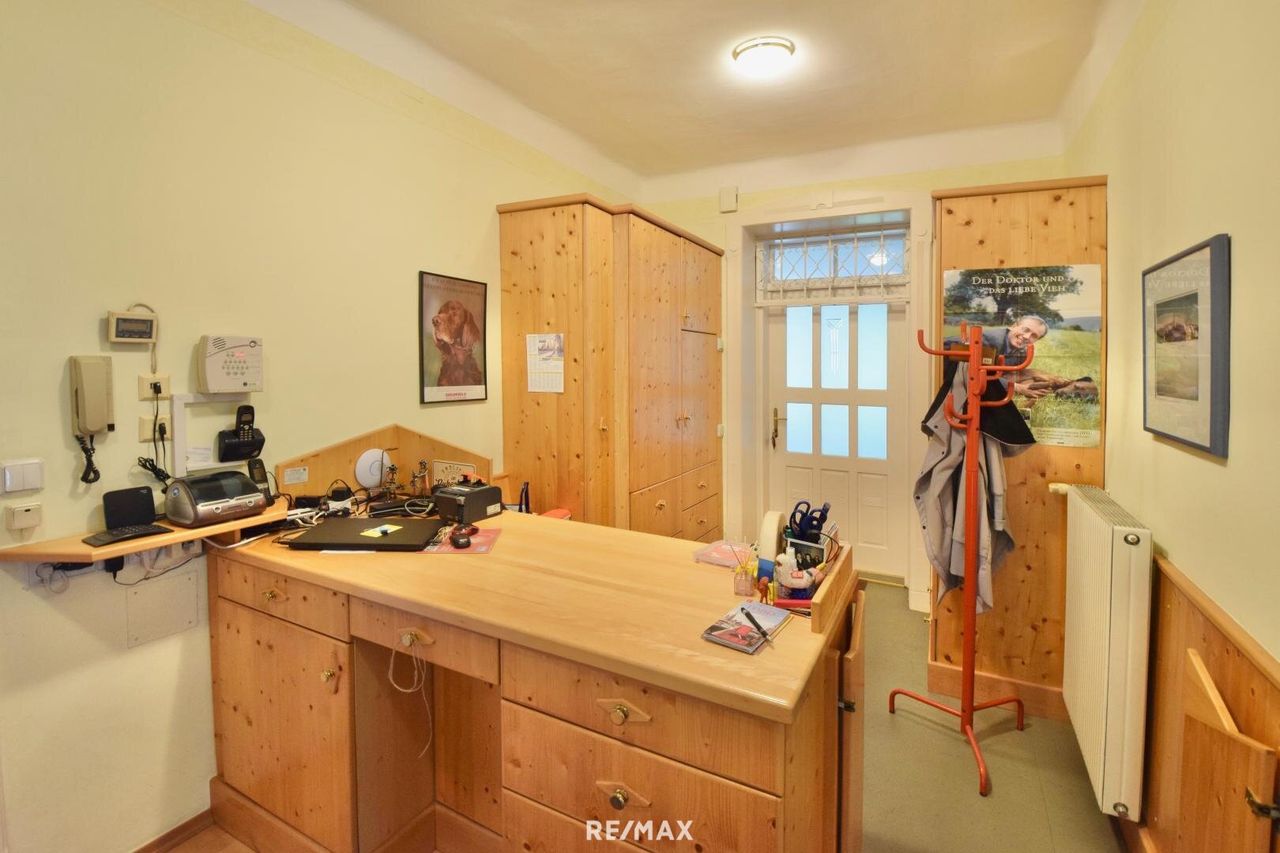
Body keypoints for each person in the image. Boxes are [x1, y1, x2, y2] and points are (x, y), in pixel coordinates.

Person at [983, 316, 1049, 399]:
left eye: (1034, 336)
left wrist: (1029, 386)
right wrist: (1018, 388)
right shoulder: (989, 340)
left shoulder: (1024, 353)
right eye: (1025, 330)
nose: (1027, 336)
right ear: (1013, 326)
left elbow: (1009, 375)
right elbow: (978, 375)